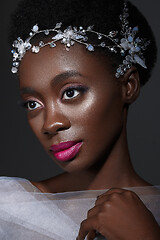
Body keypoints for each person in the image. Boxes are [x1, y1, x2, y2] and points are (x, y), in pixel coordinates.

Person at [0, 0, 160, 239]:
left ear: (128, 86)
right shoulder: (10, 209)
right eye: (33, 104)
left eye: (71, 92)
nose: (50, 124)